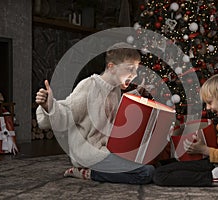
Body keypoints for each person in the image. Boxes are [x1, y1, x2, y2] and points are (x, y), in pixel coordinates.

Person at [35, 42, 155, 184]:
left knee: (150, 163)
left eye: (136, 69)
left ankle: (104, 169)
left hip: (107, 150)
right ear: (111, 67)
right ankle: (87, 172)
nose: (134, 75)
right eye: (130, 69)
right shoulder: (89, 86)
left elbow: (115, 112)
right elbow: (66, 115)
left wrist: (138, 92)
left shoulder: (115, 90)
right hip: (89, 154)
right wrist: (48, 105)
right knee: (146, 172)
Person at [152, 73, 218, 186]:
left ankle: (215, 178)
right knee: (163, 165)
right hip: (217, 162)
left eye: (210, 103)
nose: (208, 108)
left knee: (160, 175)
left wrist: (204, 150)